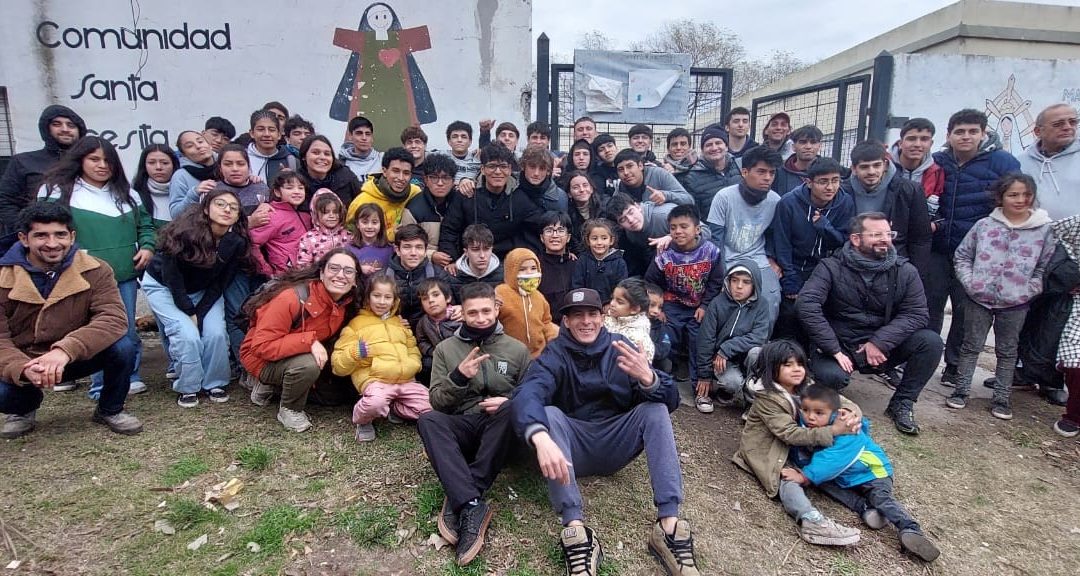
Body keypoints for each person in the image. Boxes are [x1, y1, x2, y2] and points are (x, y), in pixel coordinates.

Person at [511, 288, 699, 576]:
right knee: (549, 415)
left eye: (592, 314)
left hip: (615, 442)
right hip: (571, 450)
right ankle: (575, 531)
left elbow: (671, 399)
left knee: (655, 409)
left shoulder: (619, 346)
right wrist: (539, 435)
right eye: (577, 315)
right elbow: (529, 393)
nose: (586, 321)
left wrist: (648, 378)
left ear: (602, 316)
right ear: (566, 322)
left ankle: (669, 524)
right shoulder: (555, 353)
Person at [0, 203, 142, 438]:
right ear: (24, 239)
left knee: (123, 346)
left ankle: (110, 409)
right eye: (41, 235)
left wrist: (64, 351)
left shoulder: (96, 269)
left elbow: (112, 319)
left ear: (72, 236)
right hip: (25, 362)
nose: (53, 243)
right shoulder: (3, 278)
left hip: (74, 357)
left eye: (60, 234)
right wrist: (23, 370)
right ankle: (23, 407)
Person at [797, 213, 943, 435]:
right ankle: (828, 404)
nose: (885, 239)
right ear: (856, 239)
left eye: (888, 234)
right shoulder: (830, 267)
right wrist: (834, 349)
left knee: (931, 342)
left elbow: (917, 313)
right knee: (832, 377)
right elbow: (806, 304)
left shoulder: (905, 270)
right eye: (876, 235)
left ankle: (902, 403)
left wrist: (880, 342)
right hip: (840, 345)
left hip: (883, 346)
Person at [418, 282, 532, 565]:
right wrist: (458, 377)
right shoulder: (446, 349)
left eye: (485, 311)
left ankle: (465, 495)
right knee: (429, 420)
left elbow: (533, 397)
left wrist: (510, 403)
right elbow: (437, 402)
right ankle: (472, 504)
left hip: (503, 432)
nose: (480, 318)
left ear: (496, 308)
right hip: (466, 426)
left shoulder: (517, 349)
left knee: (512, 407)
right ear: (462, 313)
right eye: (472, 313)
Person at [39, 136, 155, 397]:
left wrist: (147, 246)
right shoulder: (57, 191)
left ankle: (129, 376)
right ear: (80, 160)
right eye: (94, 159)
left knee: (125, 329)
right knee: (89, 332)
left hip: (123, 275)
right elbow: (45, 231)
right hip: (79, 277)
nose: (102, 165)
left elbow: (145, 226)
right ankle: (99, 385)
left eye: (108, 160)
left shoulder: (127, 193)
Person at [788, 384, 941, 562]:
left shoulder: (847, 429)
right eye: (805, 410)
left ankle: (909, 528)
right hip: (845, 476)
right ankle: (866, 509)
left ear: (835, 413)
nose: (810, 417)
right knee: (821, 483)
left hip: (873, 473)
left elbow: (831, 460)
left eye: (819, 413)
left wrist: (804, 476)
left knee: (880, 497)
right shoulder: (808, 423)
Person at [733, 340, 862, 547]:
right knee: (787, 478)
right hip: (771, 450)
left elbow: (839, 400)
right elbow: (789, 434)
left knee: (825, 469)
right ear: (771, 368)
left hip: (801, 448)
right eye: (788, 365)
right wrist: (833, 430)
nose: (797, 370)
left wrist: (850, 414)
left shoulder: (806, 386)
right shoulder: (768, 397)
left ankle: (865, 506)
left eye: (800, 364)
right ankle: (810, 520)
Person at [946, 174, 1054, 419]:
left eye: (1025, 195)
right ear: (1001, 197)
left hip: (1016, 302)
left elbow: (1044, 267)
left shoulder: (1044, 230)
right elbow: (963, 255)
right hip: (979, 297)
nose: (1019, 200)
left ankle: (1002, 399)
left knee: (1007, 350)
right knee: (971, 345)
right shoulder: (985, 226)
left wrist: (1029, 289)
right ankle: (961, 391)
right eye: (1013, 194)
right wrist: (971, 282)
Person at [929, 109, 1021, 386]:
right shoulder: (938, 161)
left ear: (983, 133)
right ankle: (924, 360)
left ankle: (954, 366)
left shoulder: (1002, 162)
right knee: (929, 306)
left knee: (965, 310)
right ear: (949, 136)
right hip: (938, 247)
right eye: (960, 131)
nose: (966, 136)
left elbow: (1014, 201)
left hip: (976, 253)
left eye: (972, 131)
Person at [143, 189, 249, 408]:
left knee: (216, 334)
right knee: (187, 335)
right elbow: (172, 276)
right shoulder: (185, 233)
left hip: (206, 291)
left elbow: (222, 282)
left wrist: (199, 312)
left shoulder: (235, 241)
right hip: (165, 287)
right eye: (220, 204)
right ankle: (188, 386)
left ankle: (215, 383)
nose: (227, 209)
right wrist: (188, 311)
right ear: (206, 208)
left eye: (233, 207)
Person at [241, 249, 363, 432]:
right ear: (321, 273)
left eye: (348, 271)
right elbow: (262, 345)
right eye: (334, 268)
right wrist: (309, 341)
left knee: (334, 396)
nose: (340, 275)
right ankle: (289, 409)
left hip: (297, 351)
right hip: (261, 358)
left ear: (355, 279)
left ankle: (273, 387)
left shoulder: (346, 303)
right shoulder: (291, 297)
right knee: (308, 365)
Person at [332, 274, 430, 442]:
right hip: (376, 380)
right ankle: (363, 420)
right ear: (368, 297)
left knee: (431, 408)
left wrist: (413, 364)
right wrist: (355, 353)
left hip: (406, 380)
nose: (382, 301)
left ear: (394, 300)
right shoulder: (356, 325)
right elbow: (337, 365)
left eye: (387, 297)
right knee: (375, 403)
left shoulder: (400, 323)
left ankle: (394, 408)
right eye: (377, 295)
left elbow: (412, 348)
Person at [771, 158, 854, 345]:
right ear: (808, 182)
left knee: (822, 310)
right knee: (790, 311)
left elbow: (844, 241)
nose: (830, 187)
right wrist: (789, 278)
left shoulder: (845, 202)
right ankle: (786, 353)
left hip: (828, 266)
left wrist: (825, 227)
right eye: (823, 181)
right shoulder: (789, 203)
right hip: (796, 265)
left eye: (835, 180)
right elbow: (782, 243)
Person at [645, 205, 725, 385]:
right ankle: (665, 374)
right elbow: (651, 282)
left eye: (683, 226)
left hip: (698, 304)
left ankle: (699, 383)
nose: (678, 231)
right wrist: (659, 307)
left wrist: (705, 306)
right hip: (671, 303)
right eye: (673, 228)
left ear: (697, 229)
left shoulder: (711, 251)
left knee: (698, 339)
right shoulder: (664, 254)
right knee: (666, 335)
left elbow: (716, 281)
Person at [706, 145, 783, 327]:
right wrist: (720, 271)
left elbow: (774, 235)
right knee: (726, 305)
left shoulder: (775, 200)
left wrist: (771, 258)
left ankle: (760, 351)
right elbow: (716, 238)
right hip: (728, 259)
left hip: (759, 260)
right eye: (761, 171)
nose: (767, 178)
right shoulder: (724, 197)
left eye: (772, 173)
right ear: (745, 172)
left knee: (771, 302)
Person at [438, 144, 544, 260]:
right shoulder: (466, 194)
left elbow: (540, 225)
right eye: (492, 166)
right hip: (470, 261)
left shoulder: (520, 198)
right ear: (483, 169)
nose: (498, 171)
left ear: (509, 170)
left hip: (507, 262)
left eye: (503, 166)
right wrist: (451, 260)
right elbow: (450, 230)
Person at [843, 140, 932, 272]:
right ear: (854, 169)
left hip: (895, 265)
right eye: (864, 167)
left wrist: (915, 275)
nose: (871, 172)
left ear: (885, 165)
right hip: (851, 265)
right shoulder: (842, 191)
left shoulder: (909, 190)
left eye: (876, 165)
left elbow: (920, 239)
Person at [0, 105, 86, 236]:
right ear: (46, 128)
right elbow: (5, 201)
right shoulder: (23, 161)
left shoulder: (90, 163)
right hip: (39, 243)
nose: (65, 129)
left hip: (86, 236)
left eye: (71, 125)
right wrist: (26, 231)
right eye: (57, 124)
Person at [695, 262, 769, 413]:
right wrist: (704, 375)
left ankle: (750, 404)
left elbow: (759, 336)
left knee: (758, 353)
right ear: (728, 281)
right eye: (734, 280)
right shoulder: (717, 303)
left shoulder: (762, 305)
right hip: (722, 360)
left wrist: (727, 348)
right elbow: (706, 339)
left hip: (746, 356)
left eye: (746, 282)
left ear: (754, 284)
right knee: (732, 383)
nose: (739, 286)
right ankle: (724, 390)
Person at [1016, 103, 1078, 221]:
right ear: (1038, 131)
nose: (1067, 127)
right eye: (1058, 124)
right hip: (1036, 235)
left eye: (1073, 122)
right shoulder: (1020, 162)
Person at [385, 224, 453, 328]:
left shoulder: (438, 275)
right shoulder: (382, 277)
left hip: (429, 330)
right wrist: (392, 321)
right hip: (394, 331)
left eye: (419, 247)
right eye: (407, 247)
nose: (413, 253)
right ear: (397, 250)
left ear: (425, 251)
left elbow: (450, 306)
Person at [496, 248, 559, 358]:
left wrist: (553, 338)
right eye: (522, 269)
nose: (529, 273)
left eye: (533, 268)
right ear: (512, 271)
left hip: (538, 355)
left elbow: (546, 322)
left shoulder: (539, 297)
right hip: (509, 356)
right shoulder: (501, 293)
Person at [347, 147, 420, 241]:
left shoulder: (416, 193)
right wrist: (390, 235)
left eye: (406, 173)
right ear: (384, 171)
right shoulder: (362, 201)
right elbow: (350, 234)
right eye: (396, 171)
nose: (401, 178)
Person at [400, 153, 460, 268]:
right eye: (434, 177)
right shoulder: (413, 209)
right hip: (423, 265)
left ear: (453, 181)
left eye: (445, 178)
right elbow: (406, 244)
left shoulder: (460, 202)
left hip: (457, 263)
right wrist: (431, 255)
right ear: (426, 180)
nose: (440, 183)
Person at [249, 170, 312, 277]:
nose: (297, 191)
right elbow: (252, 243)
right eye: (289, 188)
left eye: (301, 188)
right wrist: (267, 271)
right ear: (277, 192)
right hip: (286, 276)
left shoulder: (307, 216)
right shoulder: (271, 215)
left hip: (307, 273)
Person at [605, 192, 684, 277]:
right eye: (623, 219)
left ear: (637, 206)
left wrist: (671, 237)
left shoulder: (664, 215)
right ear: (620, 226)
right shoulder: (631, 234)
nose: (631, 220)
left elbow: (699, 230)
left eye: (631, 212)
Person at [1051, 215, 1080, 437]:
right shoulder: (1076, 221)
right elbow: (1048, 231)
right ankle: (1074, 415)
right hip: (1075, 302)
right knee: (1074, 361)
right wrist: (1066, 272)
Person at [676, 126, 741, 220]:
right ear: (702, 150)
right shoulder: (692, 178)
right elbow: (693, 215)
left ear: (726, 146)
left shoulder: (740, 166)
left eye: (718, 143)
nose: (714, 148)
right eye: (708, 145)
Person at [890, 118, 944, 217]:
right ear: (900, 143)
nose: (917, 144)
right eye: (911, 139)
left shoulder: (936, 172)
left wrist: (936, 225)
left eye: (924, 139)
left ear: (931, 144)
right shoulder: (883, 167)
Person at [414, 278, 461, 385]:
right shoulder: (423, 322)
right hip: (438, 359)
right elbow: (421, 341)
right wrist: (433, 351)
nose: (431, 300)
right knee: (426, 364)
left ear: (448, 298)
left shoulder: (458, 317)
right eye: (425, 298)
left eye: (436, 295)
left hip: (460, 358)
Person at [613, 149, 694, 209]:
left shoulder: (658, 174)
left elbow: (689, 200)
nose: (626, 172)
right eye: (621, 169)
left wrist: (666, 196)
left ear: (640, 166)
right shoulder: (620, 189)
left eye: (630, 166)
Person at [298, 135, 363, 210]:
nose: (322, 157)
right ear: (304, 156)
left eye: (327, 154)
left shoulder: (346, 176)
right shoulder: (297, 182)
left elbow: (362, 204)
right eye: (316, 153)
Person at [571, 218, 627, 304]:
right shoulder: (582, 261)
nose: (599, 242)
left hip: (611, 307)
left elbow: (621, 288)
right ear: (588, 241)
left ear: (611, 240)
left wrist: (611, 304)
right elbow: (577, 286)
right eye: (594, 238)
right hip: (587, 306)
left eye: (604, 238)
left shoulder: (619, 263)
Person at [297, 189, 354, 267]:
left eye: (335, 212)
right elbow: (303, 265)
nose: (331, 215)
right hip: (317, 277)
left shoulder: (349, 236)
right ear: (316, 214)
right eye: (326, 212)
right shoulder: (308, 238)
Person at [535, 212, 575, 323]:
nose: (555, 235)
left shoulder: (577, 264)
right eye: (549, 230)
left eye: (561, 230)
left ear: (568, 237)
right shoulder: (535, 266)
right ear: (542, 238)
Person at [168, 130, 217, 218]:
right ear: (184, 154)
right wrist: (194, 194)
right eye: (190, 146)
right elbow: (175, 214)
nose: (198, 146)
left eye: (200, 141)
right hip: (197, 229)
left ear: (209, 145)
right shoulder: (181, 176)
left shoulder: (225, 165)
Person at [773, 125, 835, 194]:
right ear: (793, 147)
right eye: (803, 142)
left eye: (813, 142)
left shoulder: (830, 171)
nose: (808, 147)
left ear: (820, 146)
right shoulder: (779, 173)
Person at [603, 277, 654, 361]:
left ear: (634, 309)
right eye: (612, 298)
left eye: (619, 302)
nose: (612, 303)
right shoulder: (607, 319)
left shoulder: (638, 338)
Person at [131, 143, 179, 229]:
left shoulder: (186, 194)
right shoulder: (134, 196)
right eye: (151, 163)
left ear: (174, 165)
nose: (158, 167)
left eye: (165, 163)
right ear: (144, 166)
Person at [246, 110, 298, 183]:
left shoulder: (291, 161)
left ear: (279, 135)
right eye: (260, 129)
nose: (267, 134)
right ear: (252, 133)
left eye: (272, 130)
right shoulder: (241, 159)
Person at [447, 224, 503, 292]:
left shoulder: (504, 275)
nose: (482, 255)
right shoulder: (452, 277)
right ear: (466, 252)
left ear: (492, 250)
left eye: (486, 249)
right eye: (475, 249)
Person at [563, 171, 605, 256]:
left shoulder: (604, 207)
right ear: (569, 194)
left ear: (591, 189)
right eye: (576, 187)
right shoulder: (566, 215)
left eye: (585, 185)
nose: (582, 190)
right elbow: (573, 243)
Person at [519, 145, 568, 214]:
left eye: (542, 168)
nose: (536, 173)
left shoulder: (560, 198)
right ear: (523, 167)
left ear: (548, 171)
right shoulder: (510, 189)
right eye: (532, 167)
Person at [347, 203, 393, 276]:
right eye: (365, 222)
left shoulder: (390, 249)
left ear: (381, 224)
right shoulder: (349, 249)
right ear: (357, 224)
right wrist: (359, 269)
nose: (369, 226)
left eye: (374, 222)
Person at [339, 116, 384, 183]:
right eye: (359, 133)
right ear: (350, 136)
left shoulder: (382, 160)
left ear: (372, 137)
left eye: (368, 134)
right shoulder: (341, 163)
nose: (364, 138)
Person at [442, 121, 482, 186]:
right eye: (455, 136)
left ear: (470, 142)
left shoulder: (478, 159)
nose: (459, 140)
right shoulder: (439, 156)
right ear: (449, 141)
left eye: (464, 137)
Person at [646, 283, 673, 372]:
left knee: (667, 364)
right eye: (652, 305)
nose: (656, 311)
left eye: (660, 307)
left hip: (653, 363)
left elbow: (665, 348)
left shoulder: (660, 326)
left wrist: (647, 347)